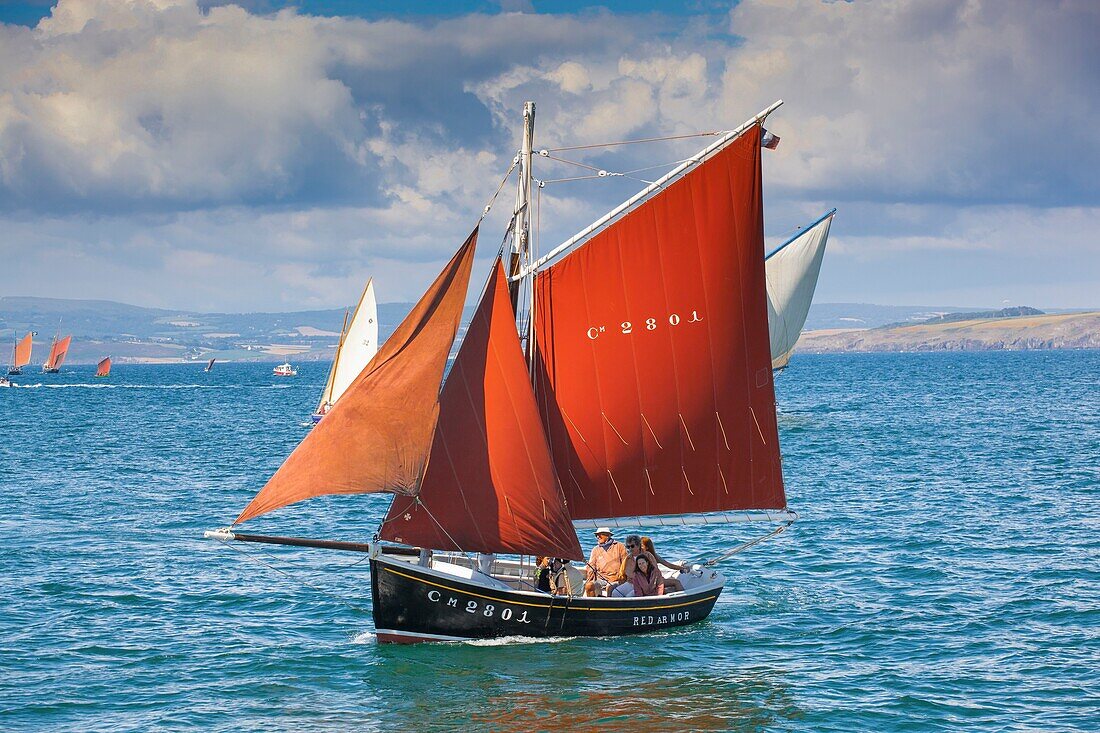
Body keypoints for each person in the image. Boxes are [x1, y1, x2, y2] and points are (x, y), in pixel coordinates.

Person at [584, 527, 627, 597]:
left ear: (608, 536)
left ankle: (608, 606)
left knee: (609, 587)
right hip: (601, 580)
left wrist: (622, 579)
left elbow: (625, 564)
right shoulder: (595, 550)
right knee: (589, 586)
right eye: (596, 535)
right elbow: (591, 566)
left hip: (616, 580)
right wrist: (590, 578)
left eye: (600, 535)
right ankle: (592, 606)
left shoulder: (619, 546)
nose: (597, 537)